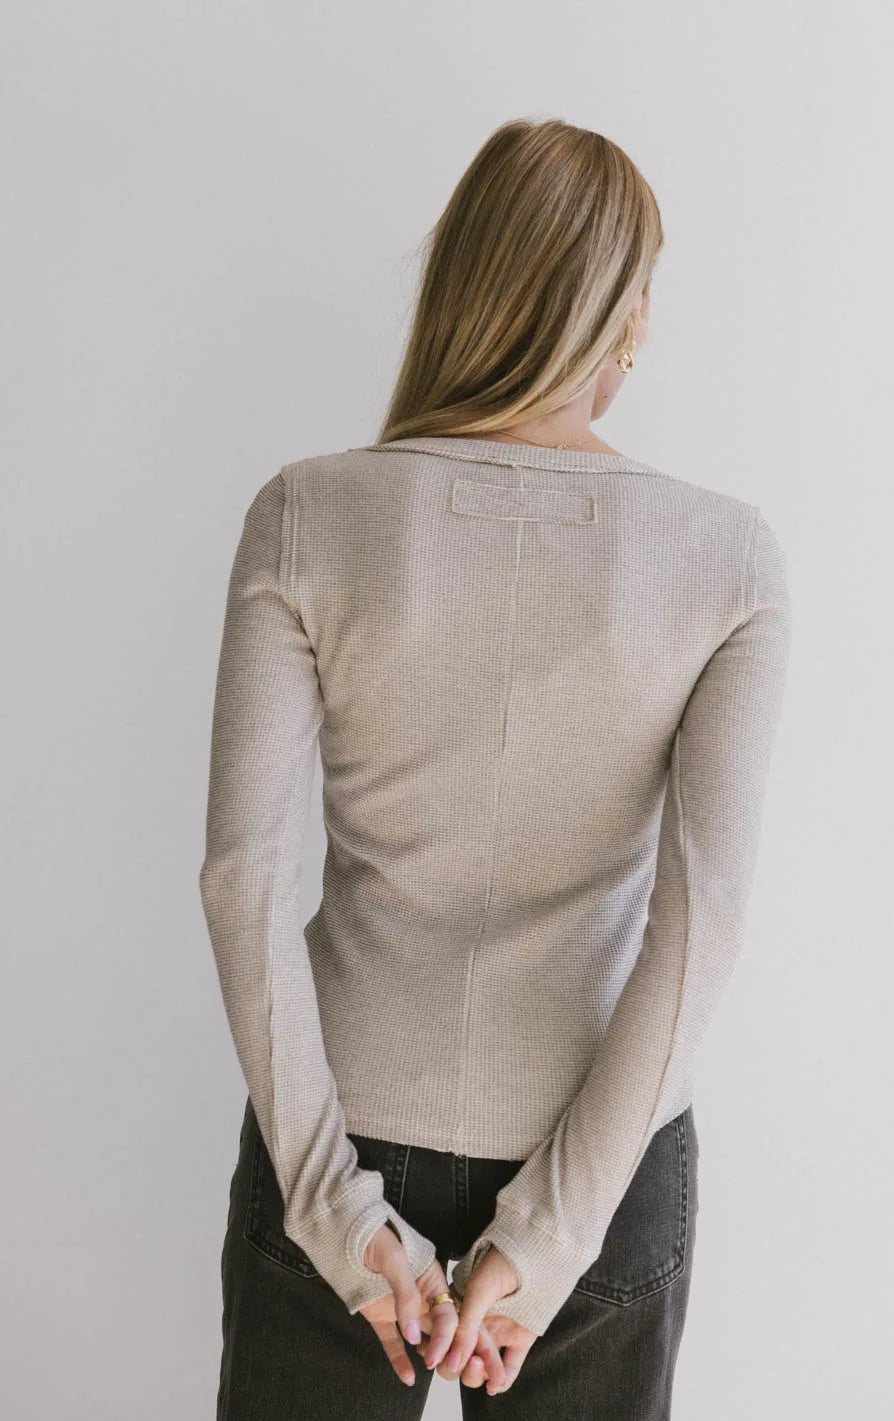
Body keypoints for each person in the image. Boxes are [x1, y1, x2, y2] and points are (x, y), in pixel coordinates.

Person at [199, 115, 792, 1419]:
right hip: (604, 1150)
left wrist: (332, 1204)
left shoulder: (306, 514)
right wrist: (556, 1231)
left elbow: (243, 876)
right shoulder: (726, 558)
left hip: (338, 1119)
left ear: (460, 283)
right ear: (627, 318)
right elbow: (705, 915)